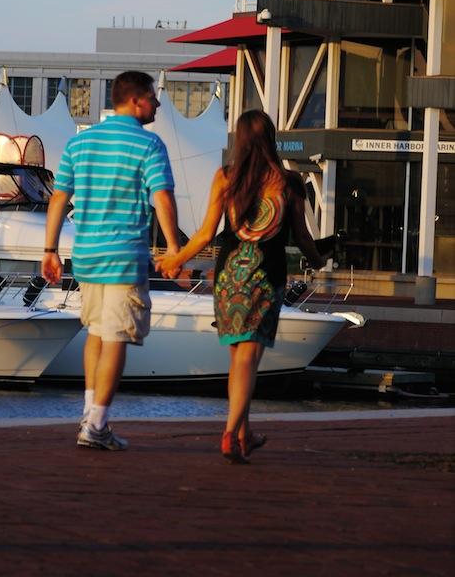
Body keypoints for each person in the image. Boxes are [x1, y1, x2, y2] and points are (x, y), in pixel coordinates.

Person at [157, 109, 327, 464]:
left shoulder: (226, 177)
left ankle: (244, 433)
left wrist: (176, 260)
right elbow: (302, 236)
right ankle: (230, 432)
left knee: (239, 358)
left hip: (231, 273)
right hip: (267, 274)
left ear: (240, 139)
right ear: (270, 138)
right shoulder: (290, 182)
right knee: (250, 357)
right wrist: (319, 259)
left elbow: (205, 233)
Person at [42, 71, 178, 451]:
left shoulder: (79, 143)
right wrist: (173, 248)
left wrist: (50, 250)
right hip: (123, 254)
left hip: (86, 254)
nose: (156, 105)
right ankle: (98, 423)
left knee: (98, 333)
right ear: (135, 100)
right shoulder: (149, 145)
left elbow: (58, 199)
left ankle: (89, 413)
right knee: (117, 335)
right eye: (153, 98)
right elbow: (162, 198)